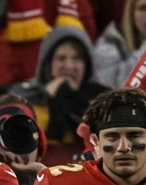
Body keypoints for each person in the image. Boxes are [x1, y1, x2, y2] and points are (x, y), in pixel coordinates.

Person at [16, 25, 107, 153]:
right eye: (61, 58)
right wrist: (47, 94)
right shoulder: (25, 93)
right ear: (48, 63)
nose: (69, 66)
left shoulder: (102, 97)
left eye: (77, 59)